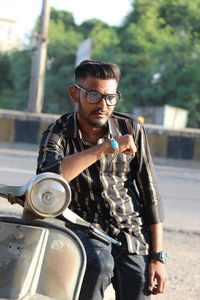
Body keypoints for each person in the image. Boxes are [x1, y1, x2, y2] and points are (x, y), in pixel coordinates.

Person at [37, 59, 168, 300]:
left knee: (138, 283)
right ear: (74, 93)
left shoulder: (130, 128)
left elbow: (150, 192)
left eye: (111, 97)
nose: (103, 105)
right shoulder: (58, 132)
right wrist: (104, 149)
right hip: (83, 229)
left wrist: (158, 256)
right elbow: (48, 179)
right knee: (98, 266)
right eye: (94, 95)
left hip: (130, 232)